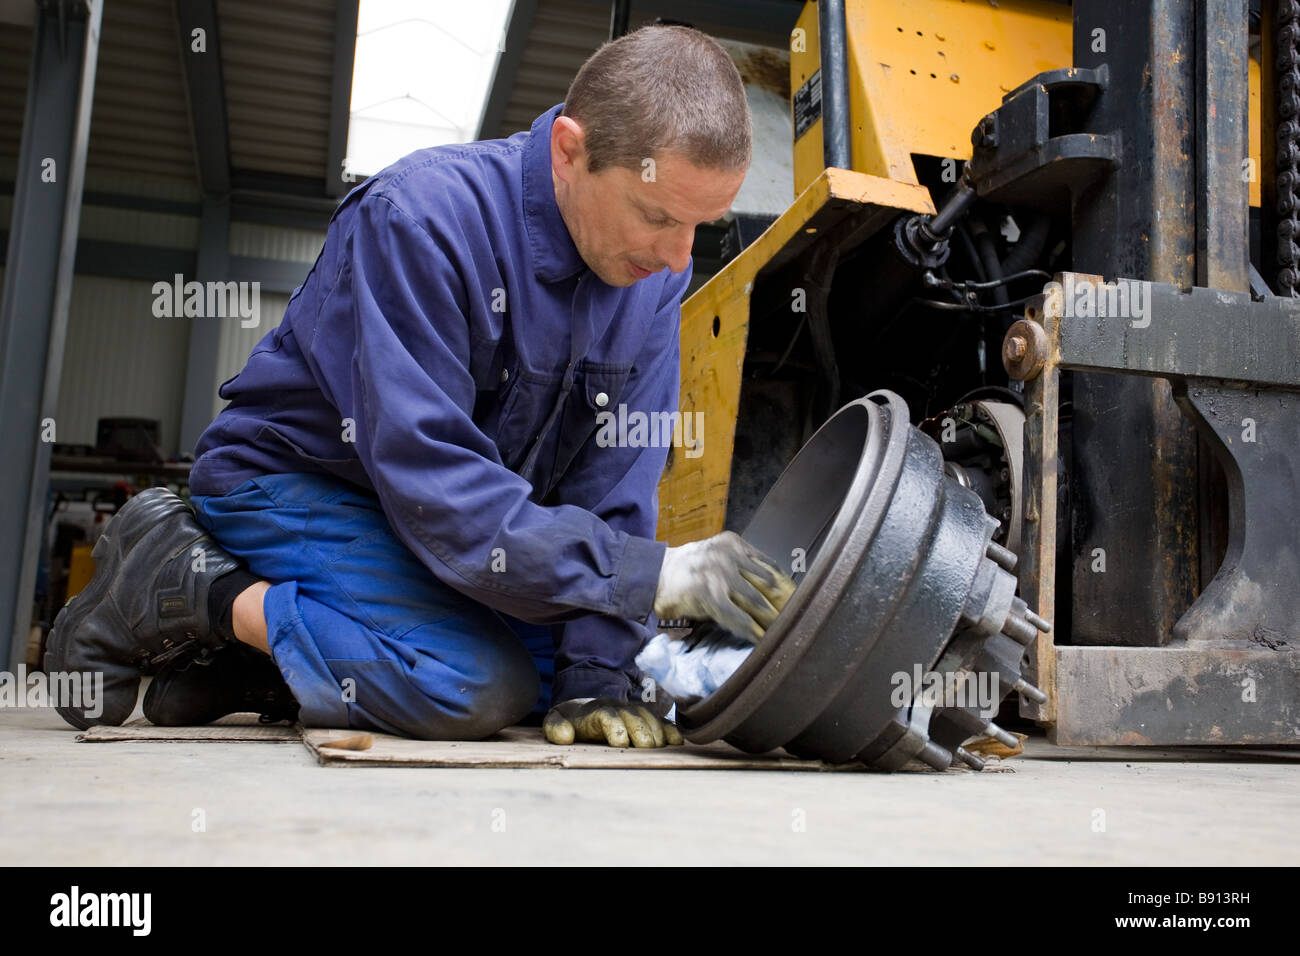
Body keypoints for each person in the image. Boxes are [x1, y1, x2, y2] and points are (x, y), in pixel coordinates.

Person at [46, 25, 795, 748]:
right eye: (658, 215)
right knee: (476, 683)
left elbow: (616, 488)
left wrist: (595, 676)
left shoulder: (652, 278)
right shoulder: (421, 219)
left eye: (701, 226)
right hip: (301, 487)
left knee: (564, 676)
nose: (676, 257)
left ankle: (257, 670)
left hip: (448, 532)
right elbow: (432, 480)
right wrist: (652, 574)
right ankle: (183, 578)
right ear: (572, 151)